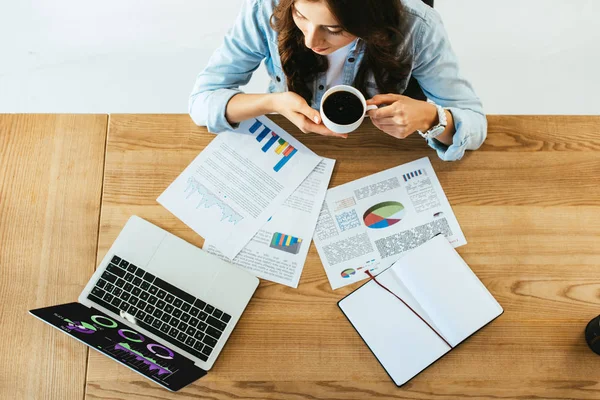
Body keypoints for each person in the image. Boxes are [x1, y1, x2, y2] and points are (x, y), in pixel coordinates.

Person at [189, 0, 486, 161]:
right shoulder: (264, 8)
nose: (310, 41)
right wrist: (273, 102)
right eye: (300, 16)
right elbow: (203, 101)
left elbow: (475, 125)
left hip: (382, 155)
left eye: (334, 29)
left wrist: (431, 117)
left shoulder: (418, 26)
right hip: (295, 150)